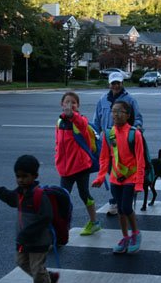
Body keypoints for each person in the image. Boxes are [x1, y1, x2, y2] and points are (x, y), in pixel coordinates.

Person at [0, 155, 60, 283]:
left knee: (37, 270)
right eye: (18, 176)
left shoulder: (39, 195)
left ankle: (44, 278)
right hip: (24, 239)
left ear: (35, 176)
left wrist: (28, 233)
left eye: (24, 176)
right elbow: (11, 199)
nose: (20, 180)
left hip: (39, 240)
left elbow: (46, 217)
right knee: (21, 262)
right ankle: (48, 276)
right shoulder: (21, 192)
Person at [92, 101, 145, 254]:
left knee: (127, 207)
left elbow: (140, 160)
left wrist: (139, 183)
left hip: (131, 177)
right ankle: (125, 237)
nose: (115, 114)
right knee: (120, 210)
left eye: (119, 111)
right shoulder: (109, 133)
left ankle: (136, 234)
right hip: (116, 178)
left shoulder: (134, 134)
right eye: (113, 111)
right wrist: (101, 177)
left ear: (128, 115)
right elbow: (104, 158)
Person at [91, 71, 143, 216]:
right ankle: (117, 199)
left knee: (124, 169)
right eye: (113, 83)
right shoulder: (102, 100)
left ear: (122, 83)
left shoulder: (130, 100)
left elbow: (138, 118)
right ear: (109, 84)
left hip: (125, 141)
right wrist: (94, 136)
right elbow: (96, 121)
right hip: (107, 141)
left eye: (118, 83)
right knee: (111, 170)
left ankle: (121, 198)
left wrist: (136, 129)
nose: (116, 85)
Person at [55, 91, 101, 236]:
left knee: (84, 194)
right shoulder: (59, 122)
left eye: (73, 102)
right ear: (61, 104)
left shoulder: (80, 120)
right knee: (62, 198)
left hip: (81, 167)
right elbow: (58, 143)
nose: (70, 105)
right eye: (67, 102)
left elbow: (81, 124)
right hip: (65, 168)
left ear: (78, 105)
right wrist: (57, 158)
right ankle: (61, 227)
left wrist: (72, 115)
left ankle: (94, 222)